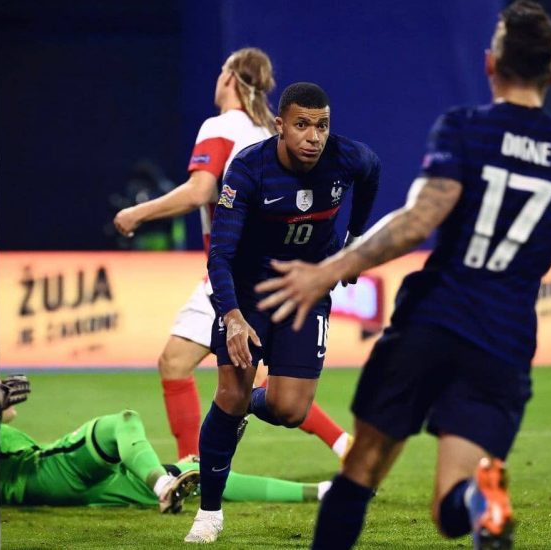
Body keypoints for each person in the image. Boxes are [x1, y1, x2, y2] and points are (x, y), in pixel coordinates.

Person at [255, 3, 551, 549]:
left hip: (432, 321)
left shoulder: (465, 129)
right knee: (449, 507)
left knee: (361, 471)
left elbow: (418, 221)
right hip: (503, 342)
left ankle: (474, 501)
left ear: (490, 64)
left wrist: (328, 269)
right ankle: (480, 499)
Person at [112, 48, 353, 461]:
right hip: (279, 269)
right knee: (243, 379)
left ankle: (193, 465)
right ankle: (342, 443)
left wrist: (138, 213)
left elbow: (199, 191)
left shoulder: (221, 127)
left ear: (229, 79)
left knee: (190, 367)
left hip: (235, 272)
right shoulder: (269, 134)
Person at [184, 82, 381, 544]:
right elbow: (220, 255)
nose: (314, 137)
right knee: (229, 394)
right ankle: (209, 513)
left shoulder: (347, 158)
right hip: (250, 292)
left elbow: (372, 171)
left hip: (307, 289)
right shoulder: (248, 170)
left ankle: (249, 406)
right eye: (302, 125)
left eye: (322, 126)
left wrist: (354, 239)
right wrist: (232, 315)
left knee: (290, 409)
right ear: (280, 126)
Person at [0, 376, 332, 511]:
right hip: (46, 474)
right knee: (123, 421)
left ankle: (320, 492)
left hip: (78, 491)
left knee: (201, 473)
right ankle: (162, 484)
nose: (4, 387)